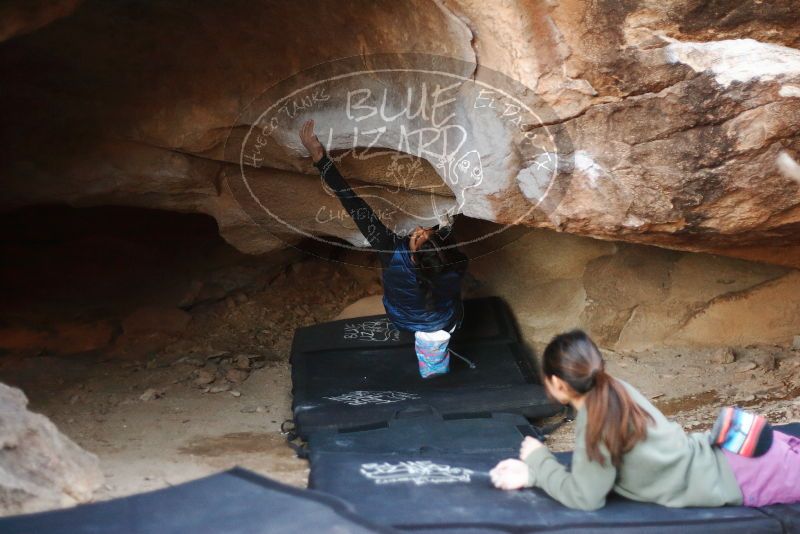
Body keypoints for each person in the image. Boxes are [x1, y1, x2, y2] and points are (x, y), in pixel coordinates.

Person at [490, 330, 800, 510]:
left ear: (558, 384)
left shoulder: (595, 423)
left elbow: (586, 497)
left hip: (743, 476)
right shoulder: (615, 387)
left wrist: (538, 463)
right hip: (736, 455)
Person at [299, 119, 468, 378]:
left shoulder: (390, 252)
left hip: (403, 320)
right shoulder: (453, 263)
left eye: (417, 238)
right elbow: (449, 251)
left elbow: (355, 206)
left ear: (413, 255)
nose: (418, 231)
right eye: (424, 234)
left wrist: (320, 159)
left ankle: (433, 355)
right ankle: (435, 358)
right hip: (446, 321)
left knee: (432, 316)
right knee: (443, 317)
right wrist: (446, 225)